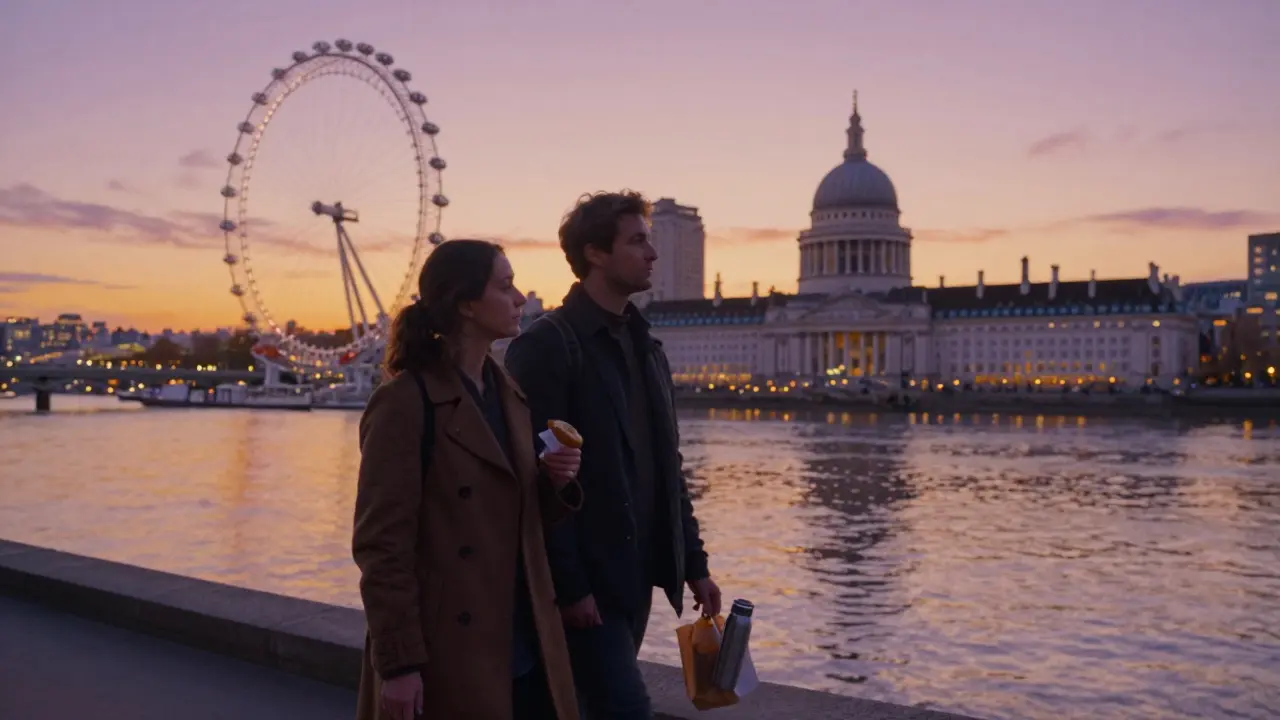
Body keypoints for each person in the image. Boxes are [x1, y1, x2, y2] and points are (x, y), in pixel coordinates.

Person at [505, 192, 722, 719]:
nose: (652, 253)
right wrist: (570, 587)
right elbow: (538, 484)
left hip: (637, 576)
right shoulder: (548, 346)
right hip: (588, 588)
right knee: (625, 708)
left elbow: (668, 468)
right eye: (638, 240)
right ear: (595, 253)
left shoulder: (646, 348)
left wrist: (693, 563)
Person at [352, 239, 585, 720]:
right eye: (505, 286)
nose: (520, 298)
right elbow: (382, 544)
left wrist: (552, 483)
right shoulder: (405, 402)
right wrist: (398, 665)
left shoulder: (508, 394)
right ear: (465, 304)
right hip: (448, 646)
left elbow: (512, 520)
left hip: (525, 636)